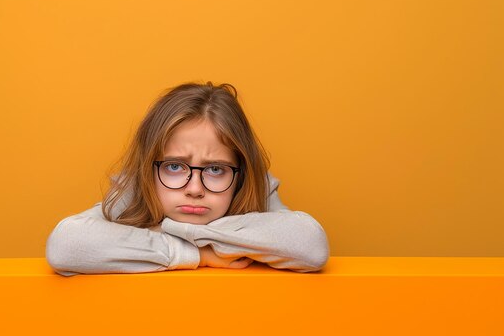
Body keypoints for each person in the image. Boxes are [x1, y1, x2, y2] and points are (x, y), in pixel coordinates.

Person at [46, 82, 329, 276]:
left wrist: (168, 232)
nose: (194, 189)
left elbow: (310, 246)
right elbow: (67, 245)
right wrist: (198, 254)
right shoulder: (139, 188)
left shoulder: (254, 186)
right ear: (149, 168)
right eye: (174, 167)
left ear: (240, 172)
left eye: (216, 169)